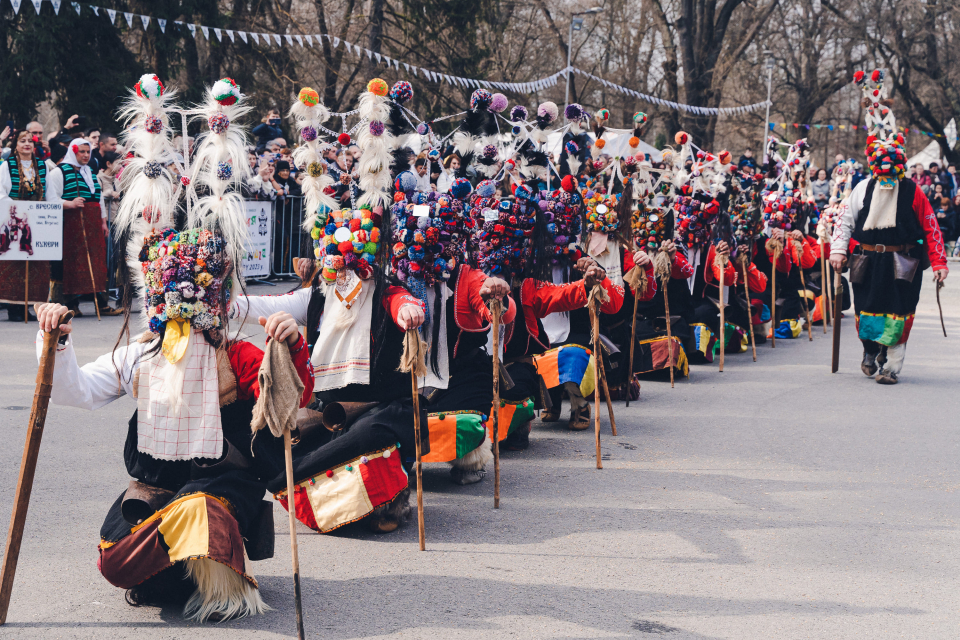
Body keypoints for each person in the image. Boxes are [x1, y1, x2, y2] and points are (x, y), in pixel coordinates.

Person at [830, 70, 948, 384]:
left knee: (898, 312)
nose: (886, 178)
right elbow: (845, 220)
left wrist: (938, 263)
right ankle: (870, 350)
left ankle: (891, 365)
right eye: (880, 170)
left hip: (904, 261)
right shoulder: (862, 188)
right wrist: (839, 250)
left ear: (898, 167)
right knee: (867, 309)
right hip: (867, 260)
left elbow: (931, 228)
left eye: (890, 172)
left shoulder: (913, 191)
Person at [0, 130, 64, 321]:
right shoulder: (7, 166)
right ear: (16, 145)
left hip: (37, 219)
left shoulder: (42, 166)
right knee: (15, 260)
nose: (27, 144)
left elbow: (51, 196)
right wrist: (17, 208)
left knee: (36, 261)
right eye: (22, 141)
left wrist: (52, 213)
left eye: (30, 141)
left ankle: (33, 305)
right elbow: (1, 193)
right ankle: (14, 307)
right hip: (14, 218)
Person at [57, 138, 114, 315]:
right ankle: (72, 304)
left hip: (93, 223)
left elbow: (98, 199)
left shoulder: (90, 171)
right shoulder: (60, 172)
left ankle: (102, 303)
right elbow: (51, 199)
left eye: (88, 152)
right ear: (73, 152)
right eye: (81, 152)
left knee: (98, 261)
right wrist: (69, 203)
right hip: (71, 224)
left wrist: (103, 222)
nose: (85, 155)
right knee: (72, 262)